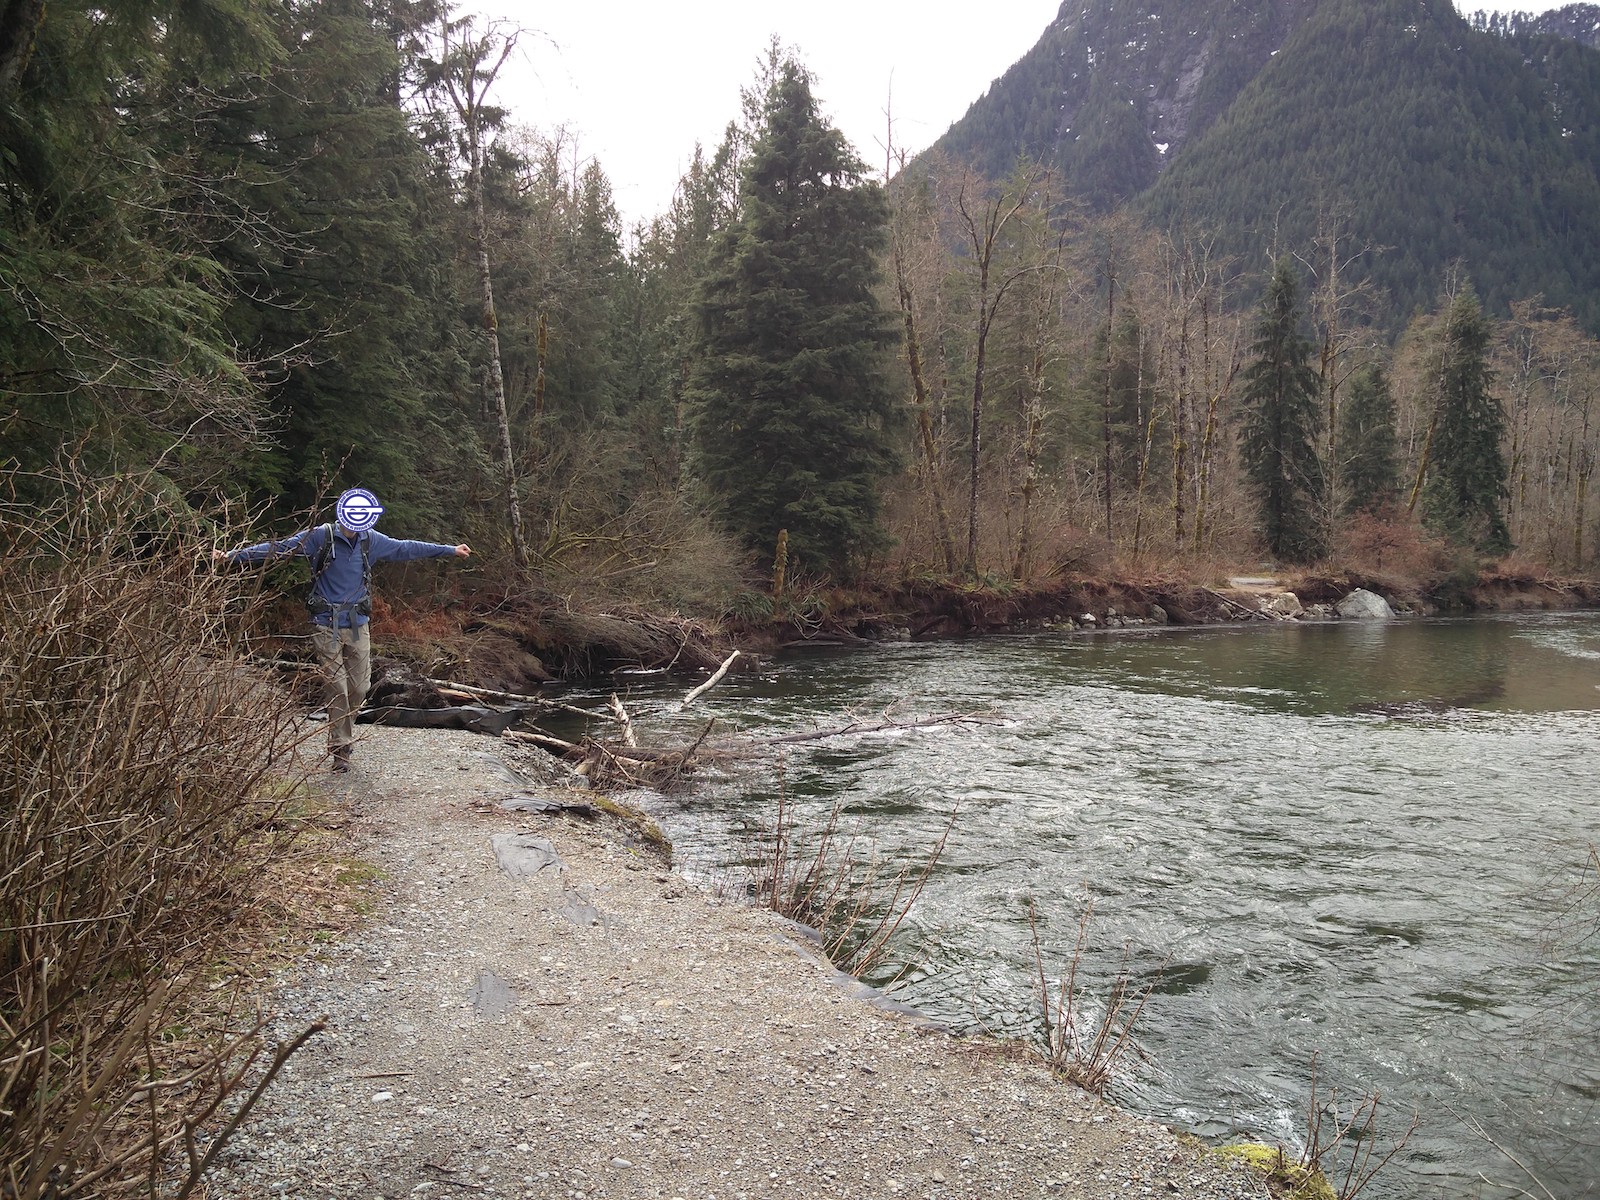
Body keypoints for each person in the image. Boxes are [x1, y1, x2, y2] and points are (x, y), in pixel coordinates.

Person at [215, 488, 471, 772]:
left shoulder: (370, 541)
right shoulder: (319, 537)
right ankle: (341, 749)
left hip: (358, 626)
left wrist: (449, 549)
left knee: (359, 688)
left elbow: (406, 547)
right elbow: (279, 548)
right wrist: (232, 556)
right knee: (337, 685)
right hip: (325, 624)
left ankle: (342, 738)